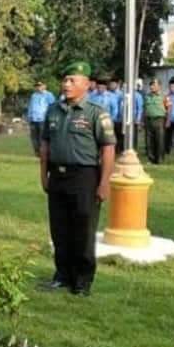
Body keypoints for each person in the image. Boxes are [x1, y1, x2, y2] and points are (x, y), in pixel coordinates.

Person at [40, 61, 115, 297]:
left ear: (86, 84)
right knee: (59, 229)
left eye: (72, 80)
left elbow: (108, 149)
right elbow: (45, 145)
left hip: (84, 177)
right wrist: (43, 174)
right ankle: (62, 275)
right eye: (65, 80)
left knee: (83, 229)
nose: (66, 84)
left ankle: (82, 280)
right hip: (58, 176)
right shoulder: (53, 110)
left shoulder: (96, 112)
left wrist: (104, 182)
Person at [26, 81, 56, 156]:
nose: (38, 87)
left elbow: (53, 107)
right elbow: (30, 106)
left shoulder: (49, 95)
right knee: (34, 137)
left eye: (40, 85)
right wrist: (29, 116)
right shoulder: (34, 95)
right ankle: (37, 152)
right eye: (37, 85)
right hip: (33, 119)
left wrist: (51, 118)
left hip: (43, 119)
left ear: (44, 86)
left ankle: (43, 152)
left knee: (42, 137)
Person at [143, 79, 167, 164]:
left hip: (159, 120)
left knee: (159, 140)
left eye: (154, 85)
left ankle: (159, 159)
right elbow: (145, 108)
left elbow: (169, 108)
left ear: (159, 86)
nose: (152, 87)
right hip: (149, 119)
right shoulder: (147, 96)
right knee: (149, 140)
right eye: (151, 85)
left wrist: (168, 120)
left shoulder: (163, 96)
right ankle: (151, 158)